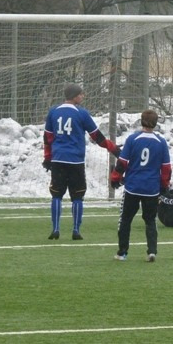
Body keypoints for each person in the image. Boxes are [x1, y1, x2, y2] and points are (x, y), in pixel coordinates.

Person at [43, 83, 120, 240]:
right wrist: (113, 149)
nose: (83, 96)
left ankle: (55, 229)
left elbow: (47, 138)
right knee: (77, 196)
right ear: (75, 96)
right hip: (75, 161)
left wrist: (47, 157)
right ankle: (76, 230)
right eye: (81, 94)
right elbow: (97, 137)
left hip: (58, 159)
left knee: (56, 195)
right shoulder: (82, 113)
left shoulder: (53, 111)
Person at [110, 109, 172, 262]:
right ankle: (152, 251)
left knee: (125, 220)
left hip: (133, 187)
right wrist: (164, 186)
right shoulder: (161, 142)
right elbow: (166, 168)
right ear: (155, 123)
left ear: (141, 121)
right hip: (151, 189)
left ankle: (122, 253)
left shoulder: (133, 139)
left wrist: (115, 178)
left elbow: (122, 162)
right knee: (150, 220)